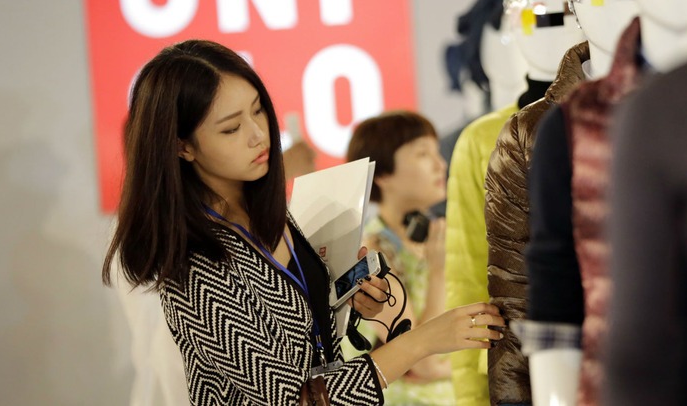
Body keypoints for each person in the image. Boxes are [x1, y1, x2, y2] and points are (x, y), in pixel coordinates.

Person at [102, 40, 504, 405]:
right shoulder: (192, 264)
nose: (258, 134)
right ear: (182, 146)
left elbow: (303, 330)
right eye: (231, 128)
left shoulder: (269, 211)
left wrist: (350, 302)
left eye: (258, 109)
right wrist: (420, 343)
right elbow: (295, 398)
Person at [345, 110, 456, 405]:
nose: (440, 164)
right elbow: (424, 361)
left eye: (437, 152)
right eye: (423, 154)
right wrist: (437, 272)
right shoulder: (370, 254)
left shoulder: (433, 237)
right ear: (382, 173)